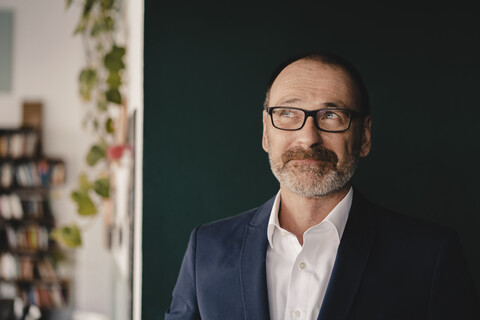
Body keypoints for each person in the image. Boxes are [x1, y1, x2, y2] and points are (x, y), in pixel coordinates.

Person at [165, 52, 479, 320]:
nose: (308, 137)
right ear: (265, 132)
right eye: (287, 113)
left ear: (364, 136)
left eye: (331, 115)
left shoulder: (430, 258)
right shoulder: (206, 248)